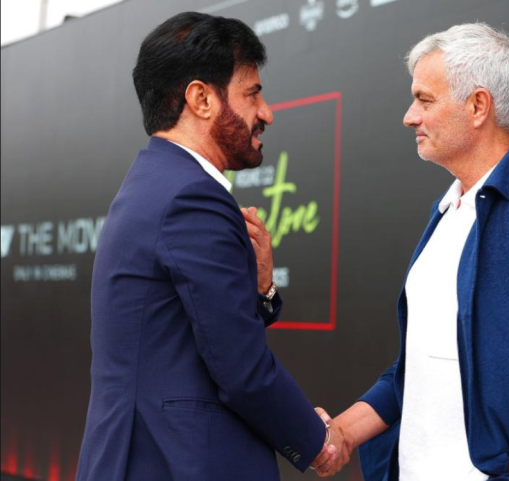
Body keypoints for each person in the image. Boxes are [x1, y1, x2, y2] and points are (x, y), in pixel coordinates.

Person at [316, 23, 509, 481]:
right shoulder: (449, 208)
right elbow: (418, 368)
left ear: (478, 106)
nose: (409, 116)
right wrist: (342, 434)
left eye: (424, 99)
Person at [76, 12, 335, 481]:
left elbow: (191, 336)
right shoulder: (190, 196)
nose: (266, 112)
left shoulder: (156, 181)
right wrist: (316, 442)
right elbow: (240, 368)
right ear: (201, 98)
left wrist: (262, 292)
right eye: (252, 93)